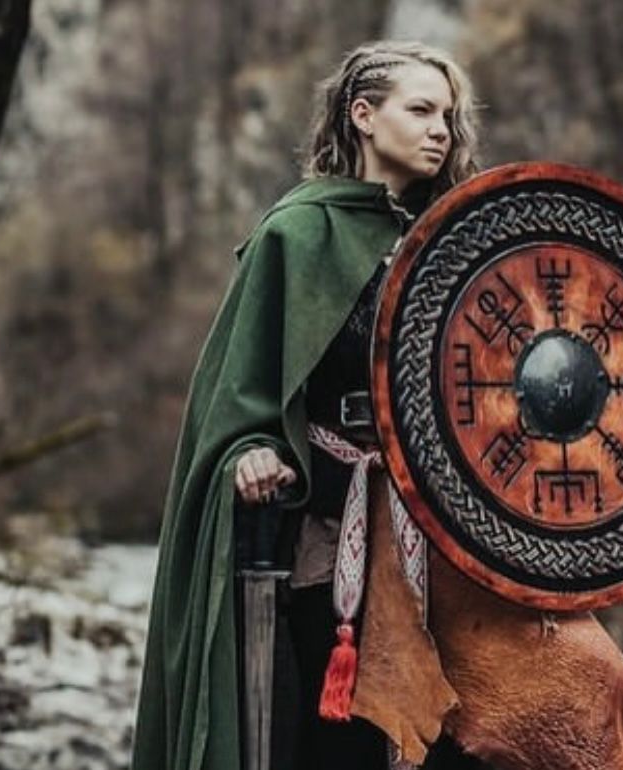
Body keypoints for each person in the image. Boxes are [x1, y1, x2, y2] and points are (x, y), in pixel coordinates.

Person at [131, 40, 480, 770]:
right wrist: (251, 449)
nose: (440, 130)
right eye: (421, 110)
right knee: (335, 742)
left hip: (443, 533)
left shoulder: (454, 239)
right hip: (329, 528)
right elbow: (240, 393)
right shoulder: (294, 235)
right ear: (363, 116)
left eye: (448, 116)